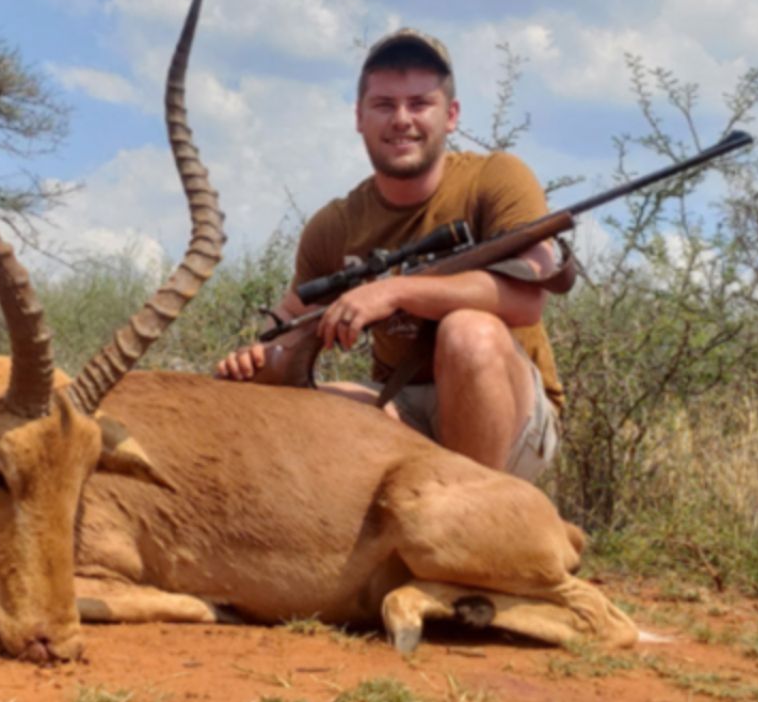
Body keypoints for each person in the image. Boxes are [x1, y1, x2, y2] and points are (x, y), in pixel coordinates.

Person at [214, 28, 566, 482]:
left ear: (451, 115)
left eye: (419, 104)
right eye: (384, 105)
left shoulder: (497, 178)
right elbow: (289, 321)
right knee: (279, 404)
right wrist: (260, 357)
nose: (401, 119)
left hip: (514, 414)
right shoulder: (335, 224)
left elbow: (527, 299)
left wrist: (395, 292)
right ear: (359, 117)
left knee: (468, 333)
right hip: (399, 403)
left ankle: (479, 512)